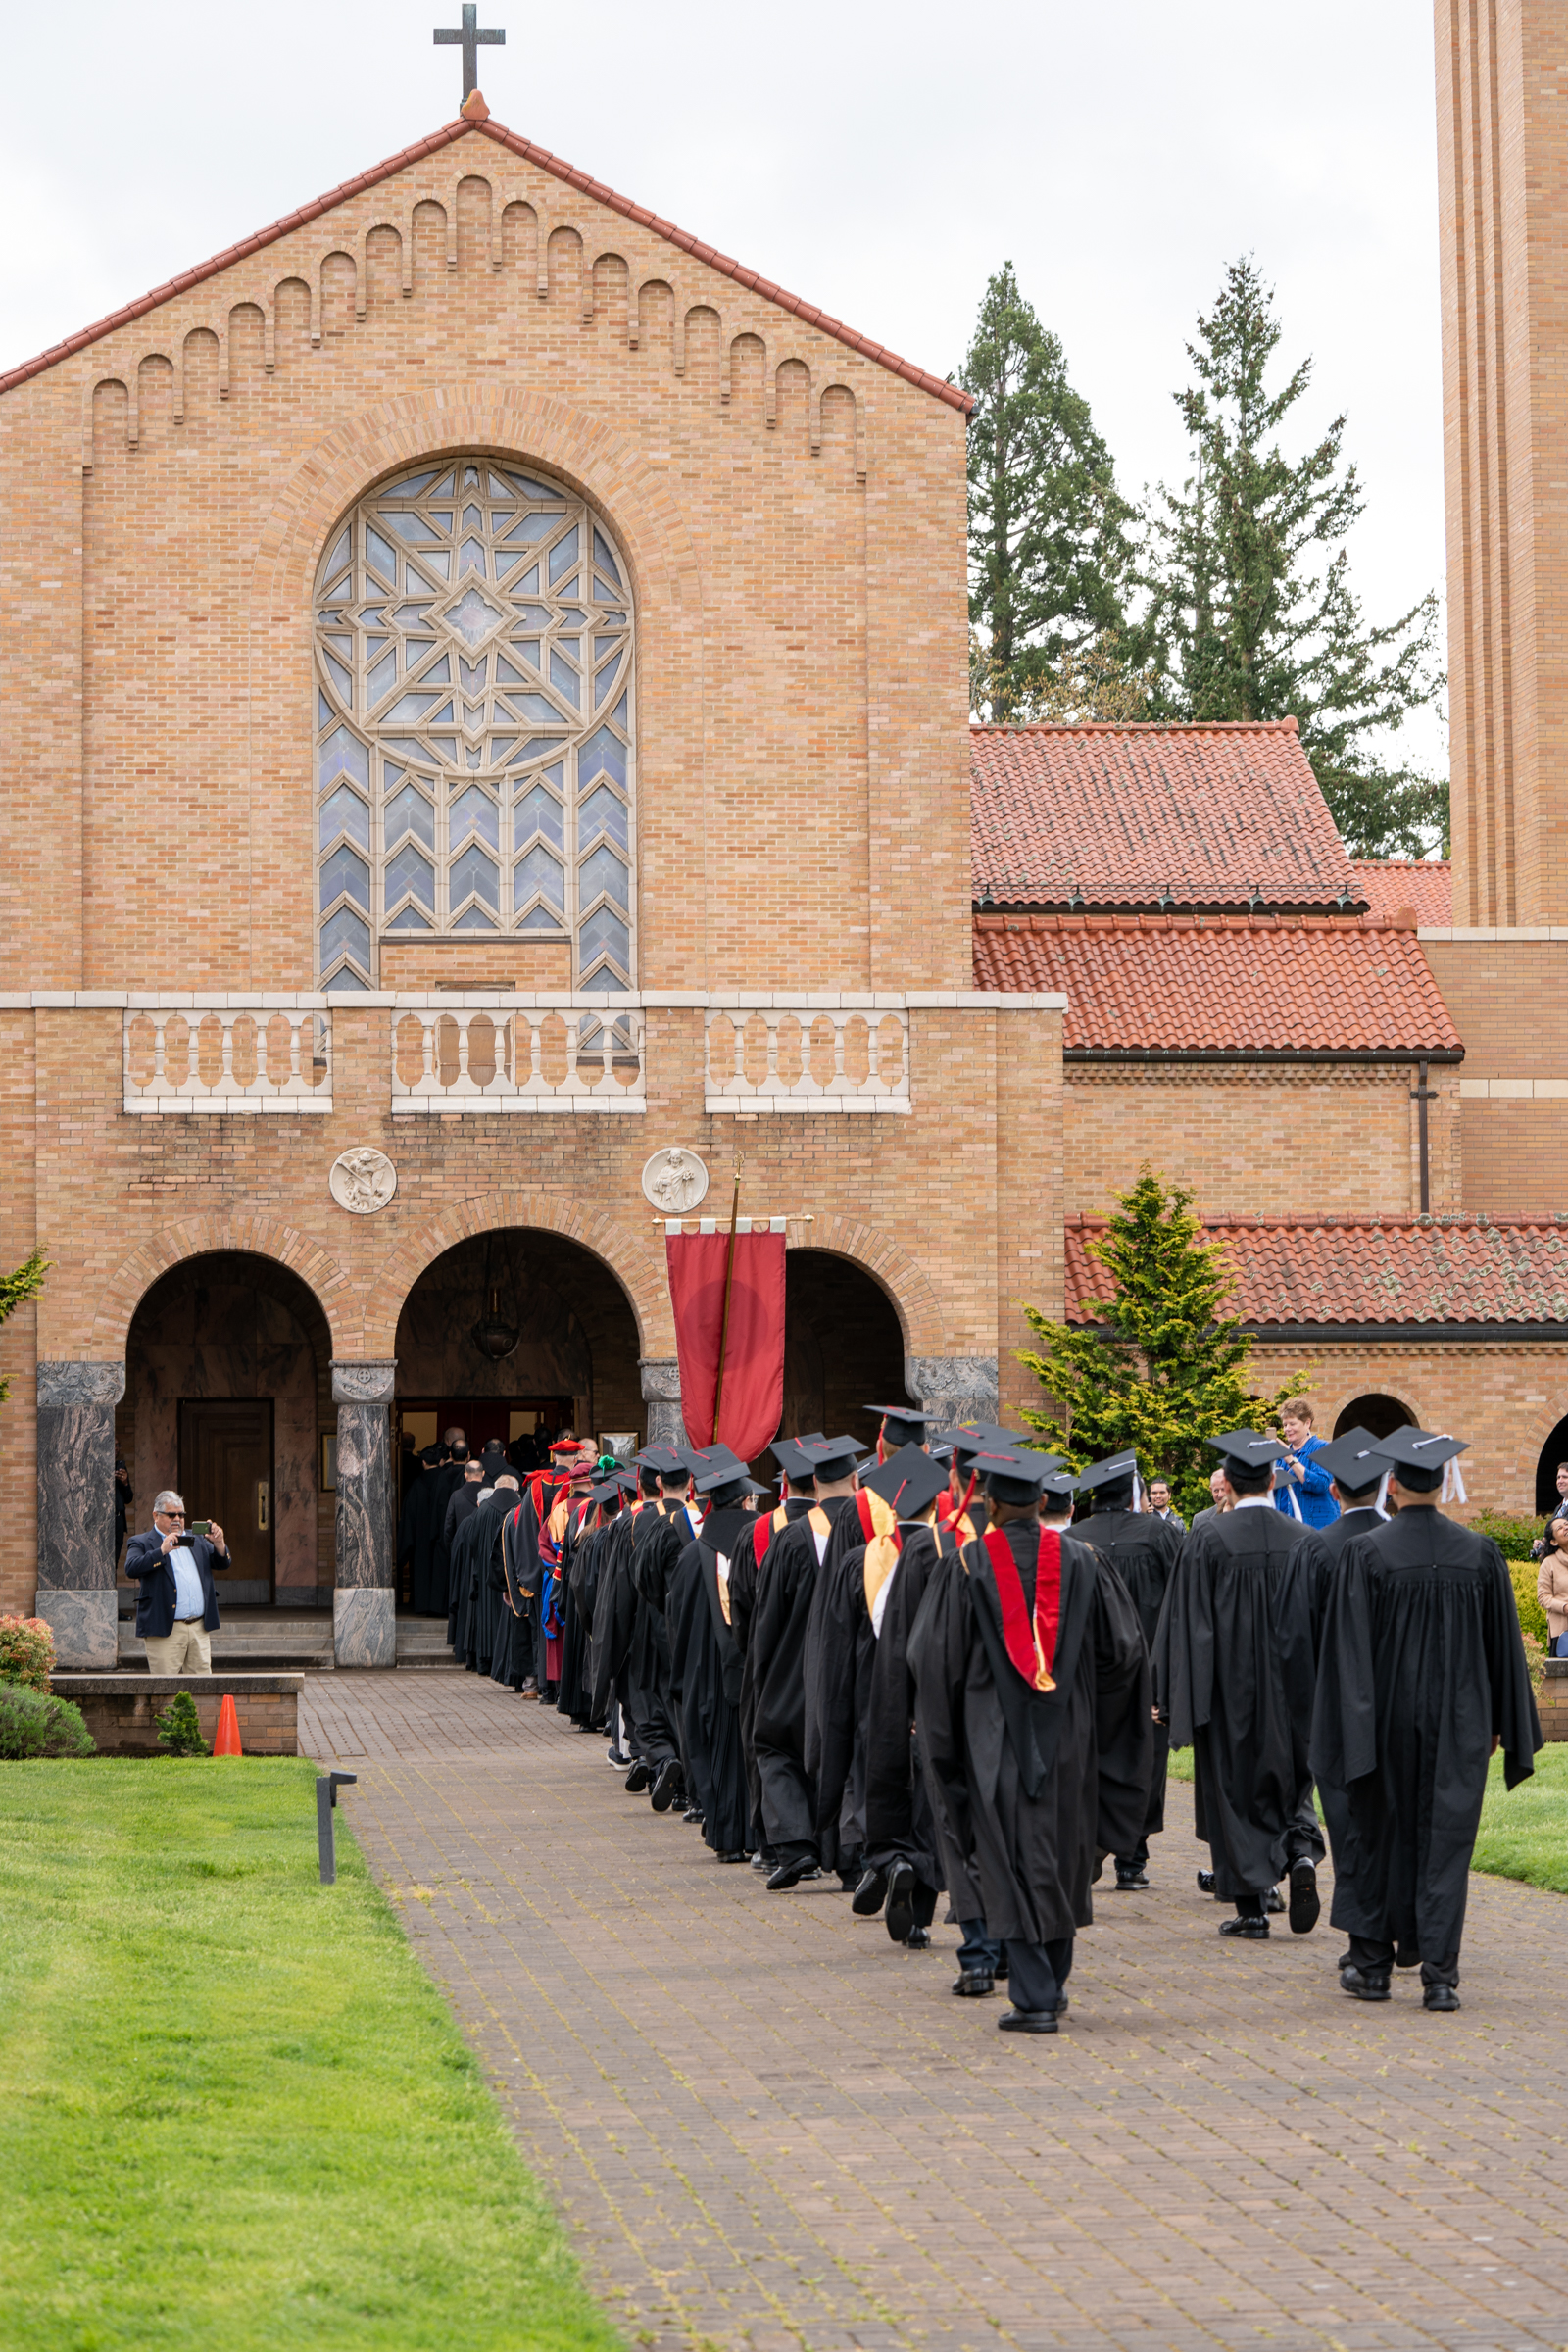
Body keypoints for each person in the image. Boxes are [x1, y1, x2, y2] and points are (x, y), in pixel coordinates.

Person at [908, 1444, 1152, 2034]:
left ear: (989, 1505)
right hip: (1070, 1733)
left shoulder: (965, 1566)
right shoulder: (1084, 1563)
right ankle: (1053, 1978)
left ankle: (1036, 1994)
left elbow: (933, 1663)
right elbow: (1124, 1655)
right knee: (1064, 1848)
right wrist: (1097, 1713)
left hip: (989, 1741)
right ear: (1043, 1501)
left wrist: (942, 1745)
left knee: (1005, 1856)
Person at [1311, 1425, 1541, 2010]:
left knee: (1375, 1833)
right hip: (1460, 1724)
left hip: (1383, 1723)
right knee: (1446, 1843)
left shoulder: (1366, 1554)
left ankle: (1373, 1967)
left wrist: (1349, 1728)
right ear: (1443, 1482)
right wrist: (1499, 1725)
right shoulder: (1480, 1553)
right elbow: (1503, 1652)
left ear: (1392, 1484)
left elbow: (1349, 1655)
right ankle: (1440, 1976)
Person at [1154, 1430, 1334, 1940]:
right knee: (1293, 1779)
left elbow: (1187, 1625)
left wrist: (1174, 1695)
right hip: (1294, 1692)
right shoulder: (1304, 1539)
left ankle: (1252, 1909)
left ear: (1227, 1483)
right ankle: (1300, 1851)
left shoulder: (1208, 1539)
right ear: (1274, 1479)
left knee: (1235, 1793)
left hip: (1229, 1693)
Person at [751, 1434, 867, 1889]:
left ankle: (797, 1846)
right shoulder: (869, 1529)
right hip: (850, 1664)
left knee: (777, 1746)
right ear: (856, 1479)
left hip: (791, 1664)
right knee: (842, 1748)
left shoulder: (793, 1536)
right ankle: (850, 1856)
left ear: (813, 1482)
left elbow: (767, 1614)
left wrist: (762, 1666)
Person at [1076, 1449, 1183, 1890]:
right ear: (1134, 1492)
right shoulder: (1159, 1534)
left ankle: (1092, 1843)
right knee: (1144, 1759)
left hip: (1090, 1675)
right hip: (1147, 1672)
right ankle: (1132, 1859)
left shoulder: (1075, 1538)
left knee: (1091, 1757)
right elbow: (1181, 1600)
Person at [123, 1492, 230, 1672]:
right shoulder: (142, 1542)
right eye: (172, 1514)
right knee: (166, 1692)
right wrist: (162, 1551)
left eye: (181, 1515)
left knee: (203, 1689)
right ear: (155, 1515)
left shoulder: (196, 1539)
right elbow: (132, 1569)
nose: (178, 1519)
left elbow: (222, 1563)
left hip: (198, 1628)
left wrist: (219, 1543)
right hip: (166, 1630)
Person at [1273, 1398, 1339, 1529]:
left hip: (1317, 1529)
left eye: (1292, 1423)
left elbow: (1321, 1483)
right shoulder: (1281, 1456)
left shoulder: (1322, 1448)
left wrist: (1291, 1461)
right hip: (1287, 1529)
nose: (1287, 1429)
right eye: (1285, 1425)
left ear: (1307, 1423)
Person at [1538, 1516, 1568, 1656]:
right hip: (1563, 1632)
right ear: (1554, 1541)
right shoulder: (1549, 1563)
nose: (1566, 1527)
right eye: (1560, 1528)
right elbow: (1543, 1597)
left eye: (1566, 1524)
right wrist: (1564, 1607)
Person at [1529, 1464, 1568, 1558]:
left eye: (1565, 1477)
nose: (1560, 1481)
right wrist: (1544, 1544)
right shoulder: (1559, 1509)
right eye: (1558, 1477)